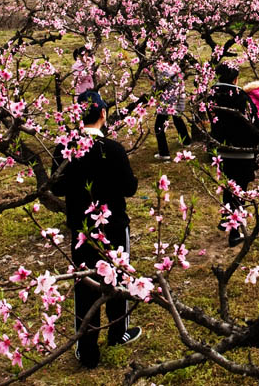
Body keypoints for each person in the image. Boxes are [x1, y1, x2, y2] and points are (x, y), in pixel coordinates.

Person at [52, 90, 142, 368]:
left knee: (84, 285)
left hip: (80, 228)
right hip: (113, 226)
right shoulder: (113, 149)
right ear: (103, 114)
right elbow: (129, 187)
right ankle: (118, 332)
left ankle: (87, 347)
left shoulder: (64, 149)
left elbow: (55, 186)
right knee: (118, 278)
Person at [208, 63, 259, 246]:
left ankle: (226, 220)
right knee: (239, 190)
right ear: (235, 79)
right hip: (243, 150)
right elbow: (252, 121)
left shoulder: (211, 96)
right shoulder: (241, 97)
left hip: (222, 148)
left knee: (229, 186)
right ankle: (234, 232)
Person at [153, 61, 192, 161]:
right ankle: (186, 141)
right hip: (179, 98)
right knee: (177, 118)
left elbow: (158, 86)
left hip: (168, 102)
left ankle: (164, 153)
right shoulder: (176, 67)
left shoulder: (163, 69)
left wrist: (153, 87)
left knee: (158, 125)